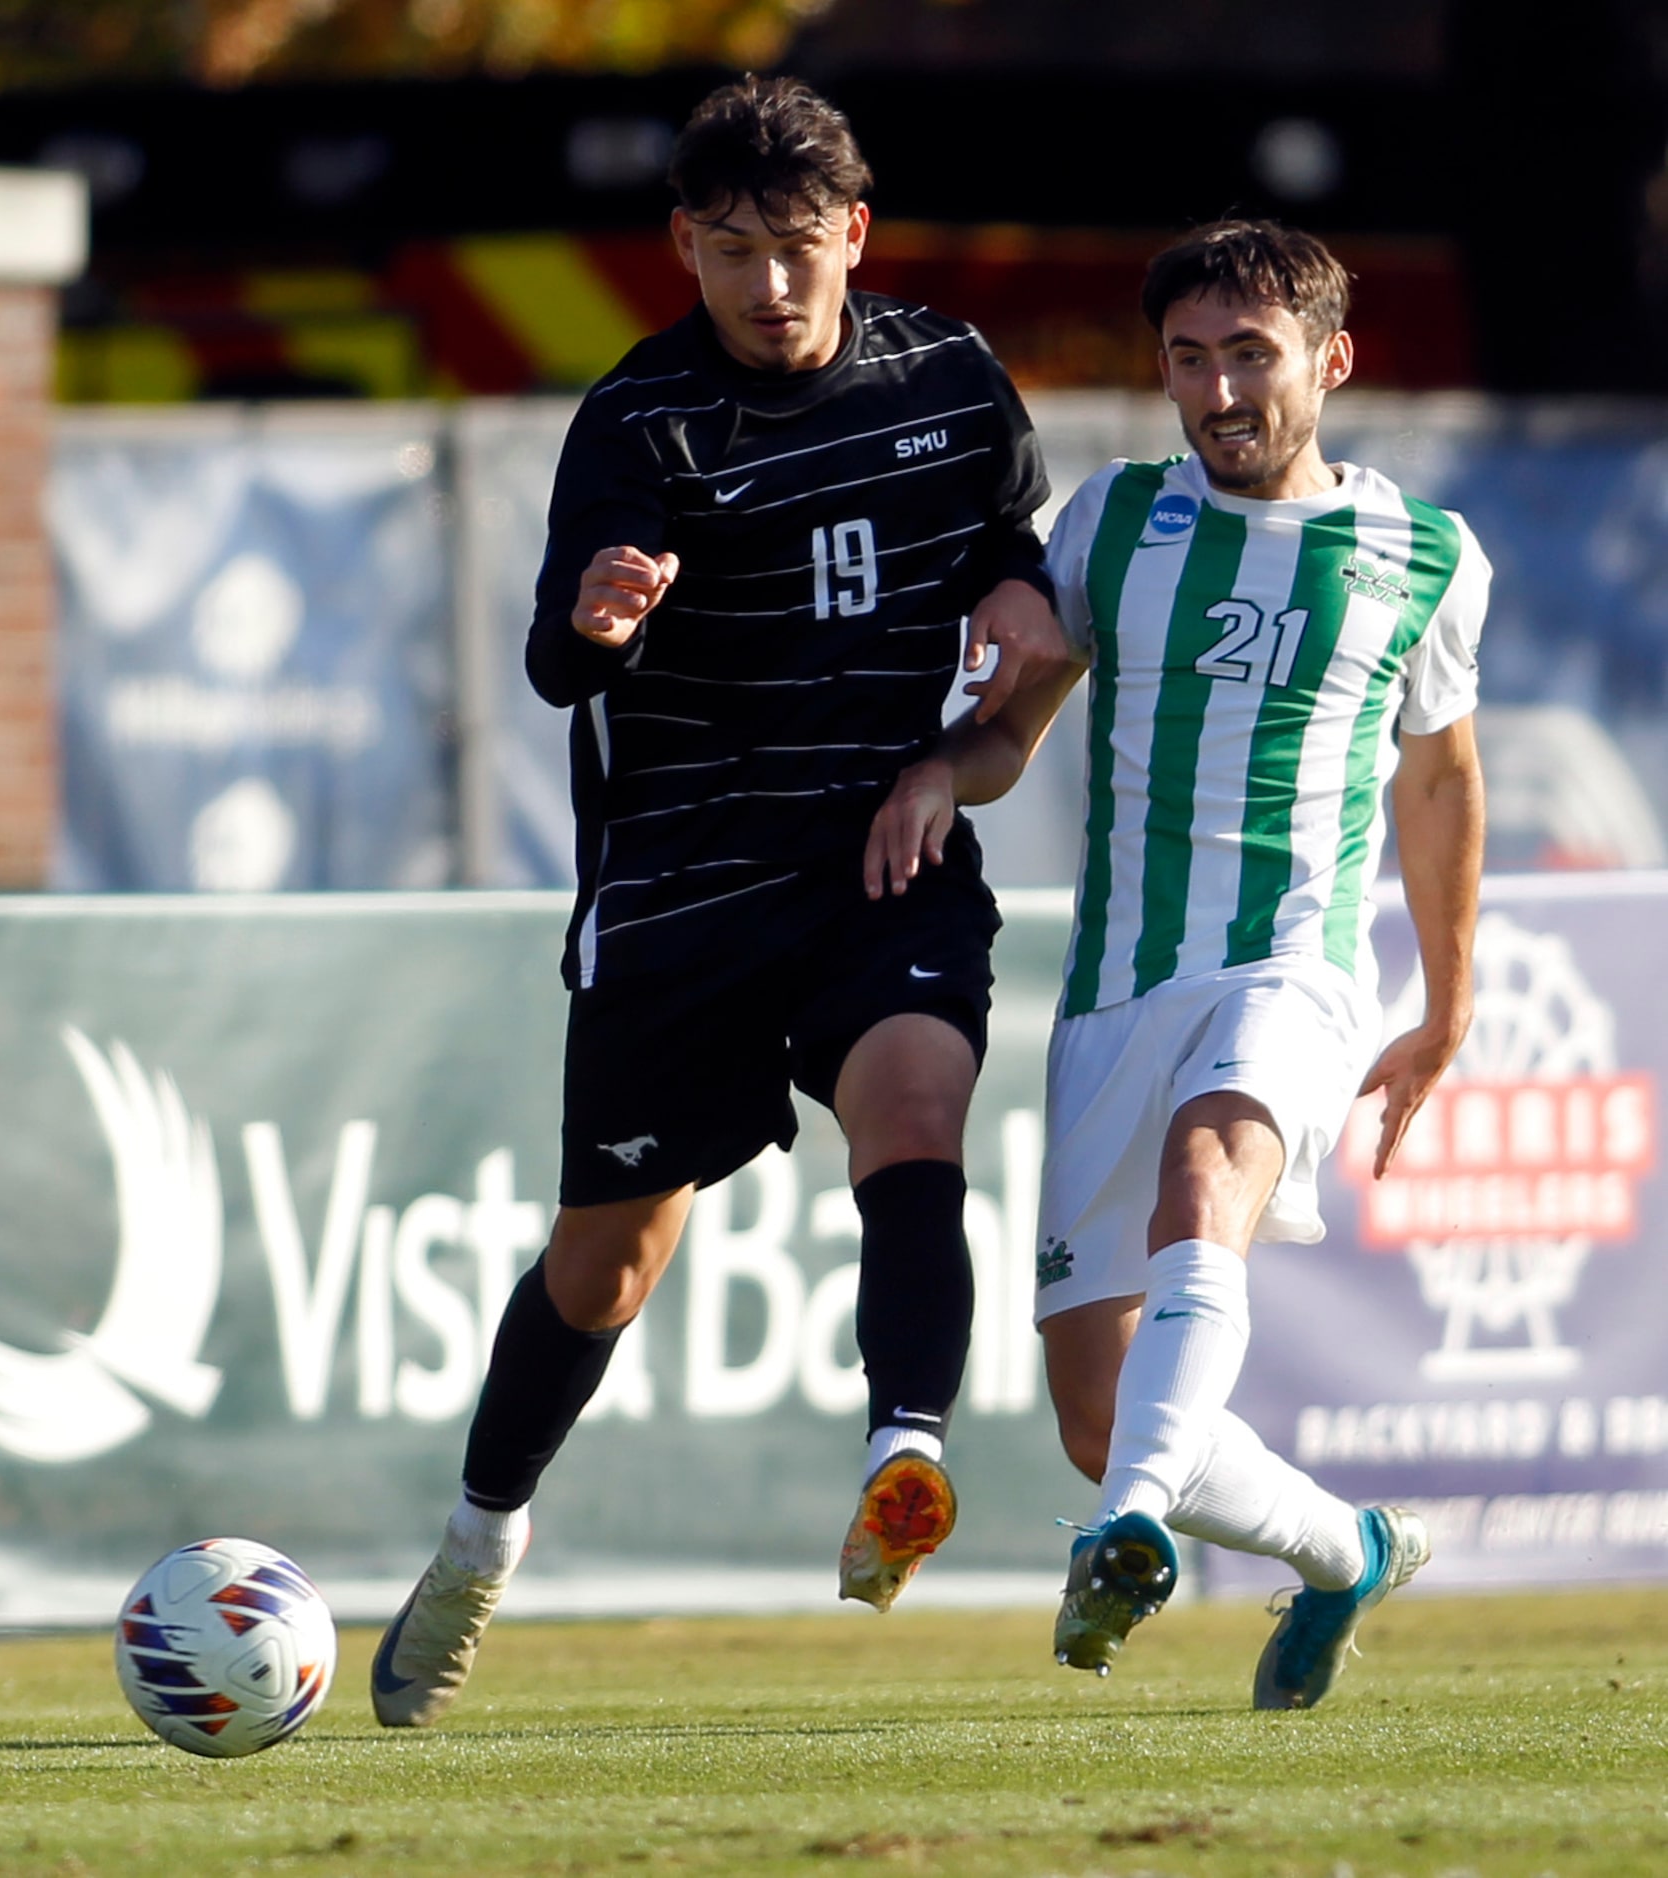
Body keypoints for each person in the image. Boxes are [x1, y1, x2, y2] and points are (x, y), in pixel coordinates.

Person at [371, 73, 1065, 1727]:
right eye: (733, 250)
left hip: (876, 855)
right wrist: (602, 614)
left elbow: (1008, 550)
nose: (768, 286)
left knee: (915, 1100)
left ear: (855, 238)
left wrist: (1013, 619)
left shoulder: (952, 379)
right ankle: (478, 1543)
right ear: (683, 244)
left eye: (798, 249)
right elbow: (554, 660)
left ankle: (903, 1457)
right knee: (608, 1265)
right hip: (681, 890)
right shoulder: (637, 420)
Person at [864, 219, 1488, 1710]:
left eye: (1250, 355)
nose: (1217, 390)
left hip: (1292, 970)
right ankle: (1345, 1547)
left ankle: (1127, 1531)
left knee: (1211, 1167)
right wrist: (950, 768)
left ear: (1329, 362)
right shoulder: (1115, 521)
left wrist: (1445, 1006)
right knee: (1102, 1409)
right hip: (1117, 993)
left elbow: (1440, 781)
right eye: (1188, 360)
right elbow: (1020, 723)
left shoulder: (1421, 553)